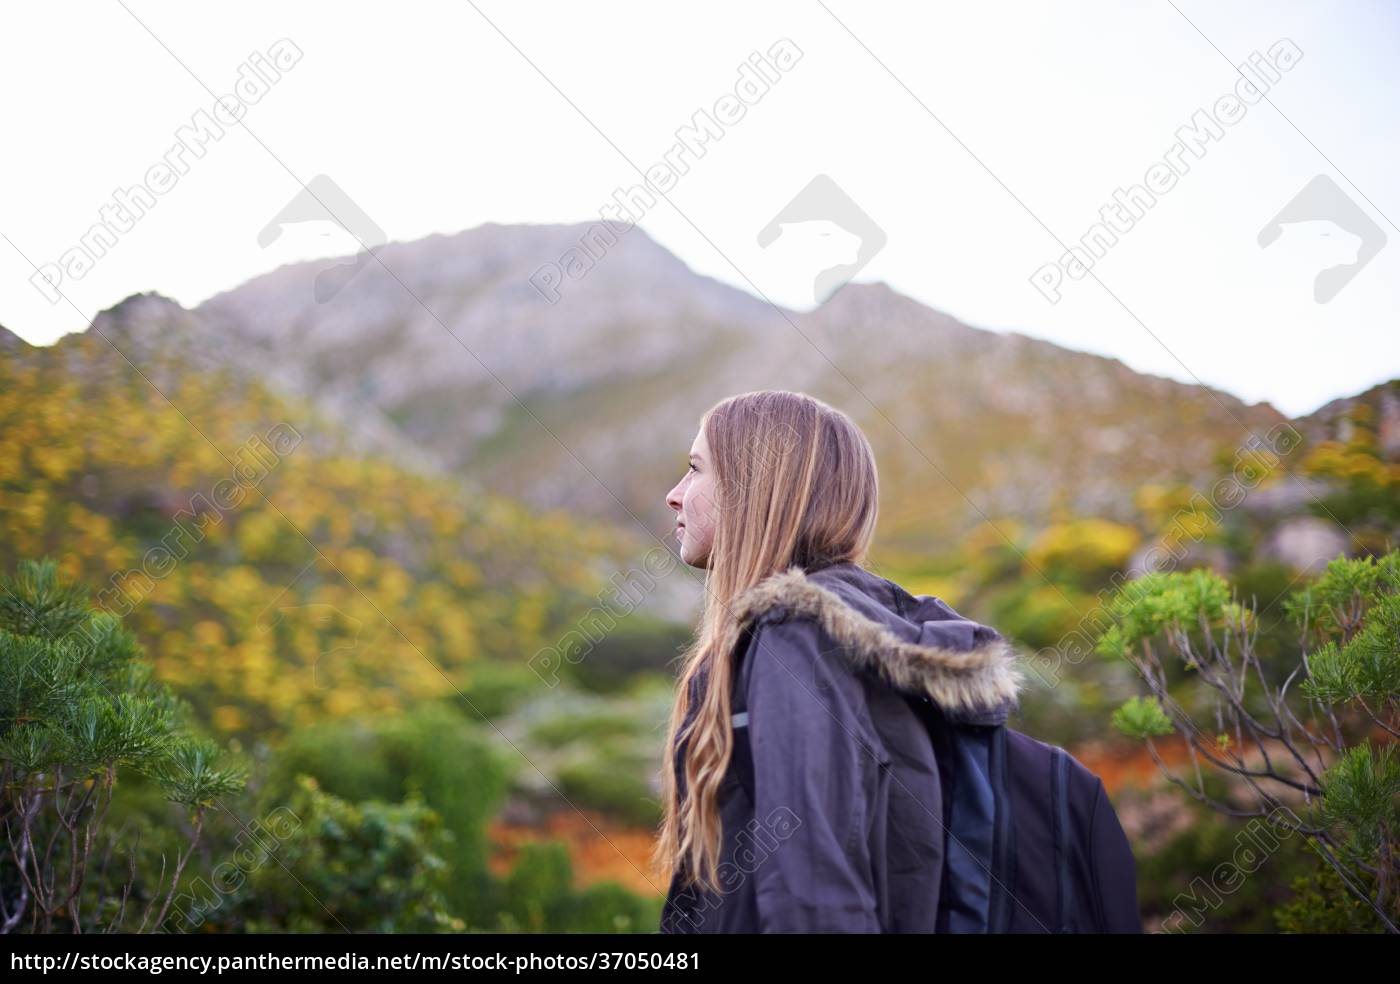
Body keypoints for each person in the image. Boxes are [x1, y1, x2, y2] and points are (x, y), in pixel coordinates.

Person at [654, 389, 1141, 933]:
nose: (675, 495)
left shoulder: (795, 638)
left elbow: (816, 897)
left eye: (696, 469)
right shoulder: (857, 639)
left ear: (756, 488)